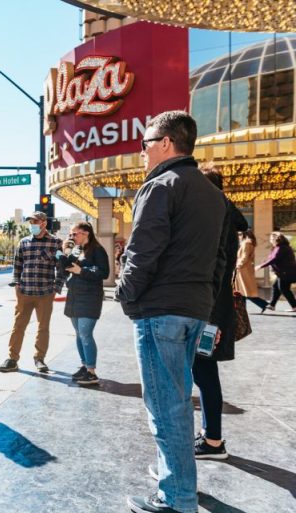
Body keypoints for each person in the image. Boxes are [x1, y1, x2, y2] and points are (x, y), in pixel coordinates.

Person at [115, 111, 227, 513]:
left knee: (166, 408)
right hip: (194, 310)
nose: (141, 152)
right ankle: (177, 481)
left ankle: (176, 497)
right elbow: (219, 260)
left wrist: (126, 296)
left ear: (165, 143)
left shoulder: (161, 185)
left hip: (160, 310)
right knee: (178, 401)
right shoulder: (212, 194)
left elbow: (142, 252)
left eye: (145, 143)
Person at [191, 166, 248, 461]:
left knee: (204, 372)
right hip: (214, 308)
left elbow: (215, 269)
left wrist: (207, 318)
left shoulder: (218, 219)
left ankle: (213, 441)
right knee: (203, 373)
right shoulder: (226, 217)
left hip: (209, 310)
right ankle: (211, 435)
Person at [0, 211, 64, 374]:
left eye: (35, 221)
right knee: (18, 326)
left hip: (45, 293)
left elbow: (61, 267)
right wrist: (16, 285)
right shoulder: (24, 242)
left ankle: (39, 359)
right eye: (31, 222)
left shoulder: (56, 243)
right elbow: (17, 265)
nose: (32, 224)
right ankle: (12, 359)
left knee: (43, 327)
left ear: (44, 223)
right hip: (25, 292)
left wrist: (56, 288)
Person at [62, 221, 109, 386]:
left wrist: (81, 271)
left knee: (85, 334)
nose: (72, 237)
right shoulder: (77, 249)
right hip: (75, 296)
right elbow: (67, 267)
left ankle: (91, 371)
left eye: (75, 234)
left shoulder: (98, 250)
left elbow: (104, 272)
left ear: (86, 233)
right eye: (71, 234)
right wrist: (64, 254)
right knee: (79, 334)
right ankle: (84, 366)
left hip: (89, 298)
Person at [256, 232, 296, 312]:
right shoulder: (278, 247)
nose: (270, 240)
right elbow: (271, 258)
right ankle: (272, 305)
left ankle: (294, 306)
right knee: (276, 287)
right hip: (283, 272)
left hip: (286, 272)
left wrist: (260, 266)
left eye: (271, 238)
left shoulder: (281, 248)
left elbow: (274, 259)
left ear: (276, 239)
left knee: (283, 289)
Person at [235, 231, 269, 312]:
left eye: (240, 234)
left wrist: (238, 265)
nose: (238, 236)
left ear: (245, 235)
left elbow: (244, 257)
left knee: (244, 290)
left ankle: (262, 304)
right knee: (242, 290)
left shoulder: (246, 243)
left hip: (242, 270)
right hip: (245, 269)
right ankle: (242, 308)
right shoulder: (250, 243)